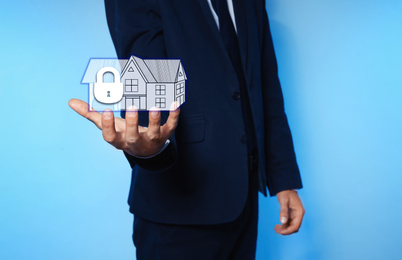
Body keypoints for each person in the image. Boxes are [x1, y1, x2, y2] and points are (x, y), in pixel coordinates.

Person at [69, 0, 305, 259]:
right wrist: (151, 148)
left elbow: (265, 84)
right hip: (177, 208)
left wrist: (283, 180)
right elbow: (148, 79)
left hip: (244, 199)